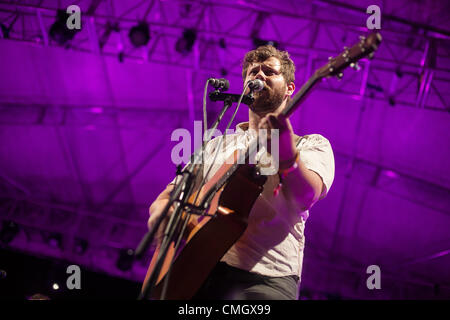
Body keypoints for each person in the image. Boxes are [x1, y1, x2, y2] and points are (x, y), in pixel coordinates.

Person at [147, 45, 335, 300]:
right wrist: (162, 212)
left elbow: (306, 194)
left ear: (290, 88)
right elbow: (173, 191)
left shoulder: (310, 145)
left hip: (264, 280)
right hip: (198, 267)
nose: (258, 75)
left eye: (269, 71)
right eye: (253, 71)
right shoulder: (217, 143)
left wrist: (287, 153)